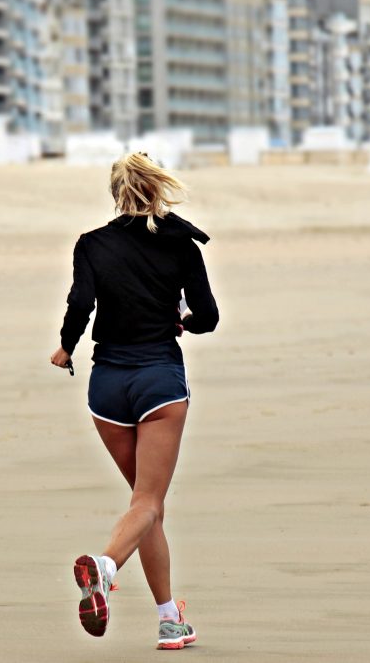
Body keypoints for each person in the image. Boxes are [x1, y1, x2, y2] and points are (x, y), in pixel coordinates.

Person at [49, 151, 219, 650]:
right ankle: (103, 568)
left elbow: (81, 302)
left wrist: (65, 345)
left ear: (116, 193)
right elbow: (207, 316)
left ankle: (171, 620)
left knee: (147, 508)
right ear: (157, 187)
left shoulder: (92, 244)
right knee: (147, 502)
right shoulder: (181, 244)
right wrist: (181, 322)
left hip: (106, 388)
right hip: (158, 383)